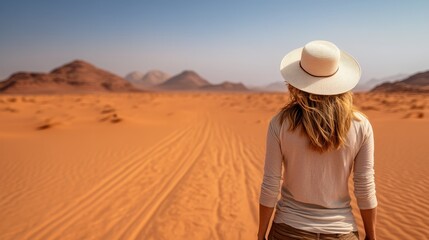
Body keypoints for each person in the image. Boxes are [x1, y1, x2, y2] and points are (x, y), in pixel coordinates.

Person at [257, 40, 378, 240]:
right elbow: (364, 185)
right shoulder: (360, 125)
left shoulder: (280, 123)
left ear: (295, 83)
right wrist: (371, 235)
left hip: (288, 229)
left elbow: (270, 183)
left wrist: (261, 234)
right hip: (341, 231)